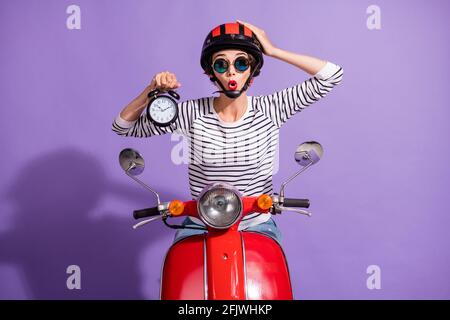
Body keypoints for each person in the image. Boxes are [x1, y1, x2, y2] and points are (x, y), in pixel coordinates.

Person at [112, 21, 343, 245]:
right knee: (179, 277)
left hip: (255, 224)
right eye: (221, 65)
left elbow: (332, 75)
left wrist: (273, 50)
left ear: (252, 69)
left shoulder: (271, 109)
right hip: (200, 224)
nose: (231, 72)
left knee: (269, 279)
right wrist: (151, 90)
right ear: (211, 72)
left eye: (241, 63)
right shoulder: (191, 112)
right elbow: (122, 126)